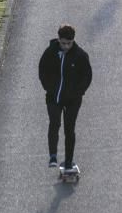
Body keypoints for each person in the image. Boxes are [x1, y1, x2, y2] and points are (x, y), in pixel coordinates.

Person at [39, 24, 92, 171]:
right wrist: (49, 88)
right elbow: (42, 70)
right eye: (63, 43)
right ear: (59, 39)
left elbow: (87, 77)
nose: (66, 46)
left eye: (69, 43)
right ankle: (53, 156)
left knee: (69, 129)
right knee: (54, 123)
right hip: (53, 97)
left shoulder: (80, 55)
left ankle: (68, 161)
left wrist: (78, 93)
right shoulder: (50, 52)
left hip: (73, 100)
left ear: (73, 41)